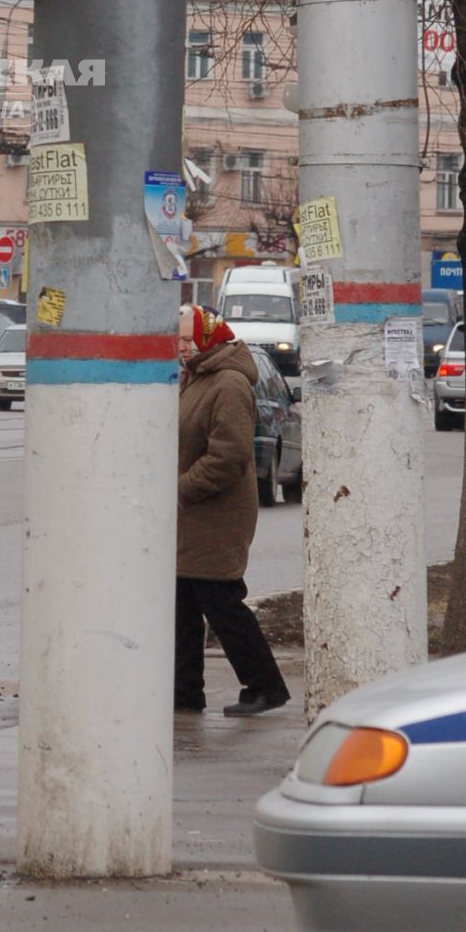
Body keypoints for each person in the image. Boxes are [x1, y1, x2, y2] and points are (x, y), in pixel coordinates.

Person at [176, 304, 290, 717]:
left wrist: (182, 489)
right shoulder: (195, 378)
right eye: (178, 340)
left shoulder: (228, 383)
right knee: (182, 604)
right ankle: (183, 693)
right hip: (190, 515)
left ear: (208, 337)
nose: (181, 347)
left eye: (188, 340)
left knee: (222, 603)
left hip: (215, 516)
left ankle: (265, 686)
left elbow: (229, 455)